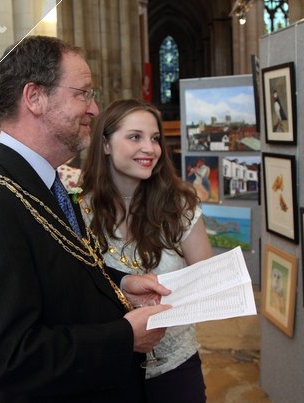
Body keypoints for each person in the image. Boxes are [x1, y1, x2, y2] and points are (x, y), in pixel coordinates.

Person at [0, 36, 171, 402]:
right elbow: (7, 361)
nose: (94, 109)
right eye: (83, 94)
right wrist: (124, 338)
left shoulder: (46, 180)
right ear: (34, 97)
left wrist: (121, 284)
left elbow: (57, 274)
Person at [79, 99, 213, 402]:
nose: (150, 148)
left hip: (175, 367)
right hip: (111, 370)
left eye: (155, 139)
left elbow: (205, 279)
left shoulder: (178, 205)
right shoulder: (80, 213)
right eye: (135, 137)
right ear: (105, 145)